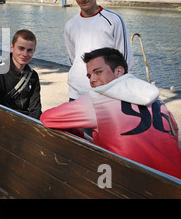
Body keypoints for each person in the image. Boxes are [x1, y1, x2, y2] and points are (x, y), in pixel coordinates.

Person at [41, 48, 181, 179]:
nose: (92, 80)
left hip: (132, 183)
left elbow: (47, 118)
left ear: (119, 71)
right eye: (89, 75)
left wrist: (81, 134)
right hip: (174, 181)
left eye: (98, 72)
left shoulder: (96, 100)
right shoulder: (157, 100)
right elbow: (174, 132)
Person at [65, 0, 134, 100]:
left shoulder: (113, 20)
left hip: (105, 95)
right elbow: (73, 58)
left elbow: (125, 61)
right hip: (76, 94)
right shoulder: (70, 25)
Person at [0, 29, 42, 119]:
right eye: (21, 48)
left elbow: (35, 110)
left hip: (24, 124)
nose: (25, 54)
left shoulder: (33, 76)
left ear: (34, 51)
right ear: (11, 47)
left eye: (29, 50)